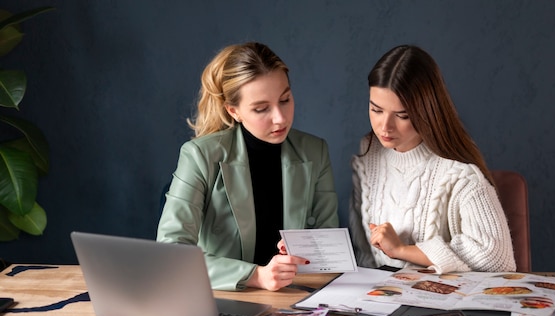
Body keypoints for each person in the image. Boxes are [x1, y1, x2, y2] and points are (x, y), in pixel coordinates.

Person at [157, 42, 339, 291]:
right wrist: (257, 276)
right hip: (225, 298)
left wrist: (305, 254)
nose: (280, 118)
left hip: (293, 296)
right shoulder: (199, 155)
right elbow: (171, 254)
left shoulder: (315, 151)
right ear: (234, 111)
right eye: (262, 108)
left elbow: (328, 248)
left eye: (285, 99)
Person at [350, 45, 515, 274]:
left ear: (426, 111)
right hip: (369, 299)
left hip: (432, 303)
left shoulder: (460, 175)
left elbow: (498, 259)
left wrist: (402, 250)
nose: (384, 126)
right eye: (376, 110)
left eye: (402, 115)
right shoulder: (367, 157)